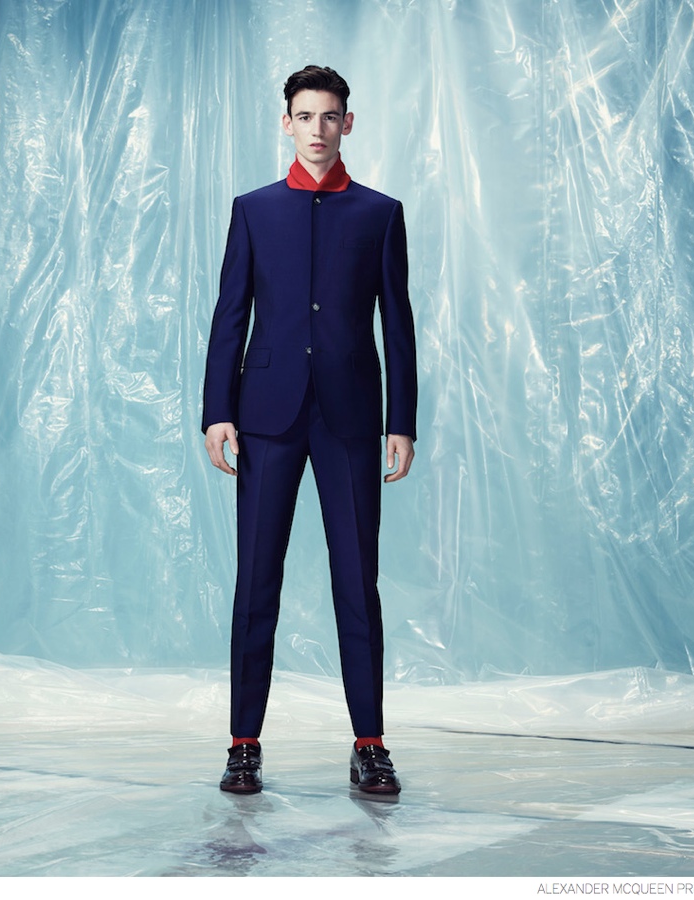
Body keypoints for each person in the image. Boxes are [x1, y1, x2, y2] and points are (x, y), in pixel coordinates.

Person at [202, 65, 417, 795]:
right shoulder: (254, 210)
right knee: (255, 582)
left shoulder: (379, 213)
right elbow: (230, 313)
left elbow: (399, 324)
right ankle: (243, 743)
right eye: (305, 116)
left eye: (330, 116)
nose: (317, 129)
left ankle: (370, 743)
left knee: (358, 581)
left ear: (347, 123)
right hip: (266, 417)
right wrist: (217, 409)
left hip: (351, 418)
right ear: (286, 122)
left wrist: (401, 421)